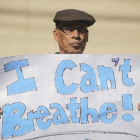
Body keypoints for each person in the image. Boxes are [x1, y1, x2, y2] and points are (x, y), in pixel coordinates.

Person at [0, 9, 140, 116]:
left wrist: (136, 107)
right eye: (68, 30)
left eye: (81, 30)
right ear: (56, 34)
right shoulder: (36, 75)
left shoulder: (110, 75)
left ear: (87, 36)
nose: (76, 35)